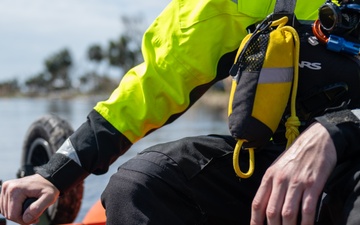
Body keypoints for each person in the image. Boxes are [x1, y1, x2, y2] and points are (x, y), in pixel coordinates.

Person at [2, 0, 360, 224]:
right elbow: (155, 82)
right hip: (271, 162)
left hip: (354, 160)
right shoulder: (225, 4)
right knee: (140, 184)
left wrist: (338, 129)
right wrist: (53, 174)